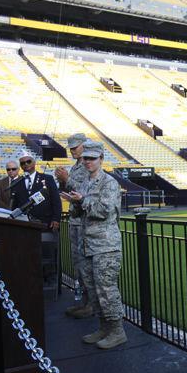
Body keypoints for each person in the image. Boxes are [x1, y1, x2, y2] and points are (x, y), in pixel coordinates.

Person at [60, 140, 126, 349]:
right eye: (85, 158)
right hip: (87, 244)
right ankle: (103, 327)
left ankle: (117, 331)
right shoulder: (84, 183)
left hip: (106, 246)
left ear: (101, 159)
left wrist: (81, 201)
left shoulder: (109, 183)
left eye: (92, 158)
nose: (88, 161)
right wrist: (74, 204)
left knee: (107, 290)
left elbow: (104, 211)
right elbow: (79, 213)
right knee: (94, 289)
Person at [55, 133, 94, 319]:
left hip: (84, 222)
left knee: (85, 264)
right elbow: (72, 189)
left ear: (84, 146)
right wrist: (63, 181)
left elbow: (84, 190)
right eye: (70, 147)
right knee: (78, 264)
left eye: (75, 147)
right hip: (75, 220)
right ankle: (85, 302)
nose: (72, 150)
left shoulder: (88, 165)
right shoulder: (76, 166)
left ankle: (90, 305)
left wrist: (67, 178)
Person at [10, 153, 61, 229]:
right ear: (20, 166)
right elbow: (15, 204)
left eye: (28, 161)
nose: (26, 164)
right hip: (23, 224)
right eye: (23, 163)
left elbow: (56, 200)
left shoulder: (47, 178)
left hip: (45, 222)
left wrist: (56, 219)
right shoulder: (17, 182)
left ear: (34, 162)